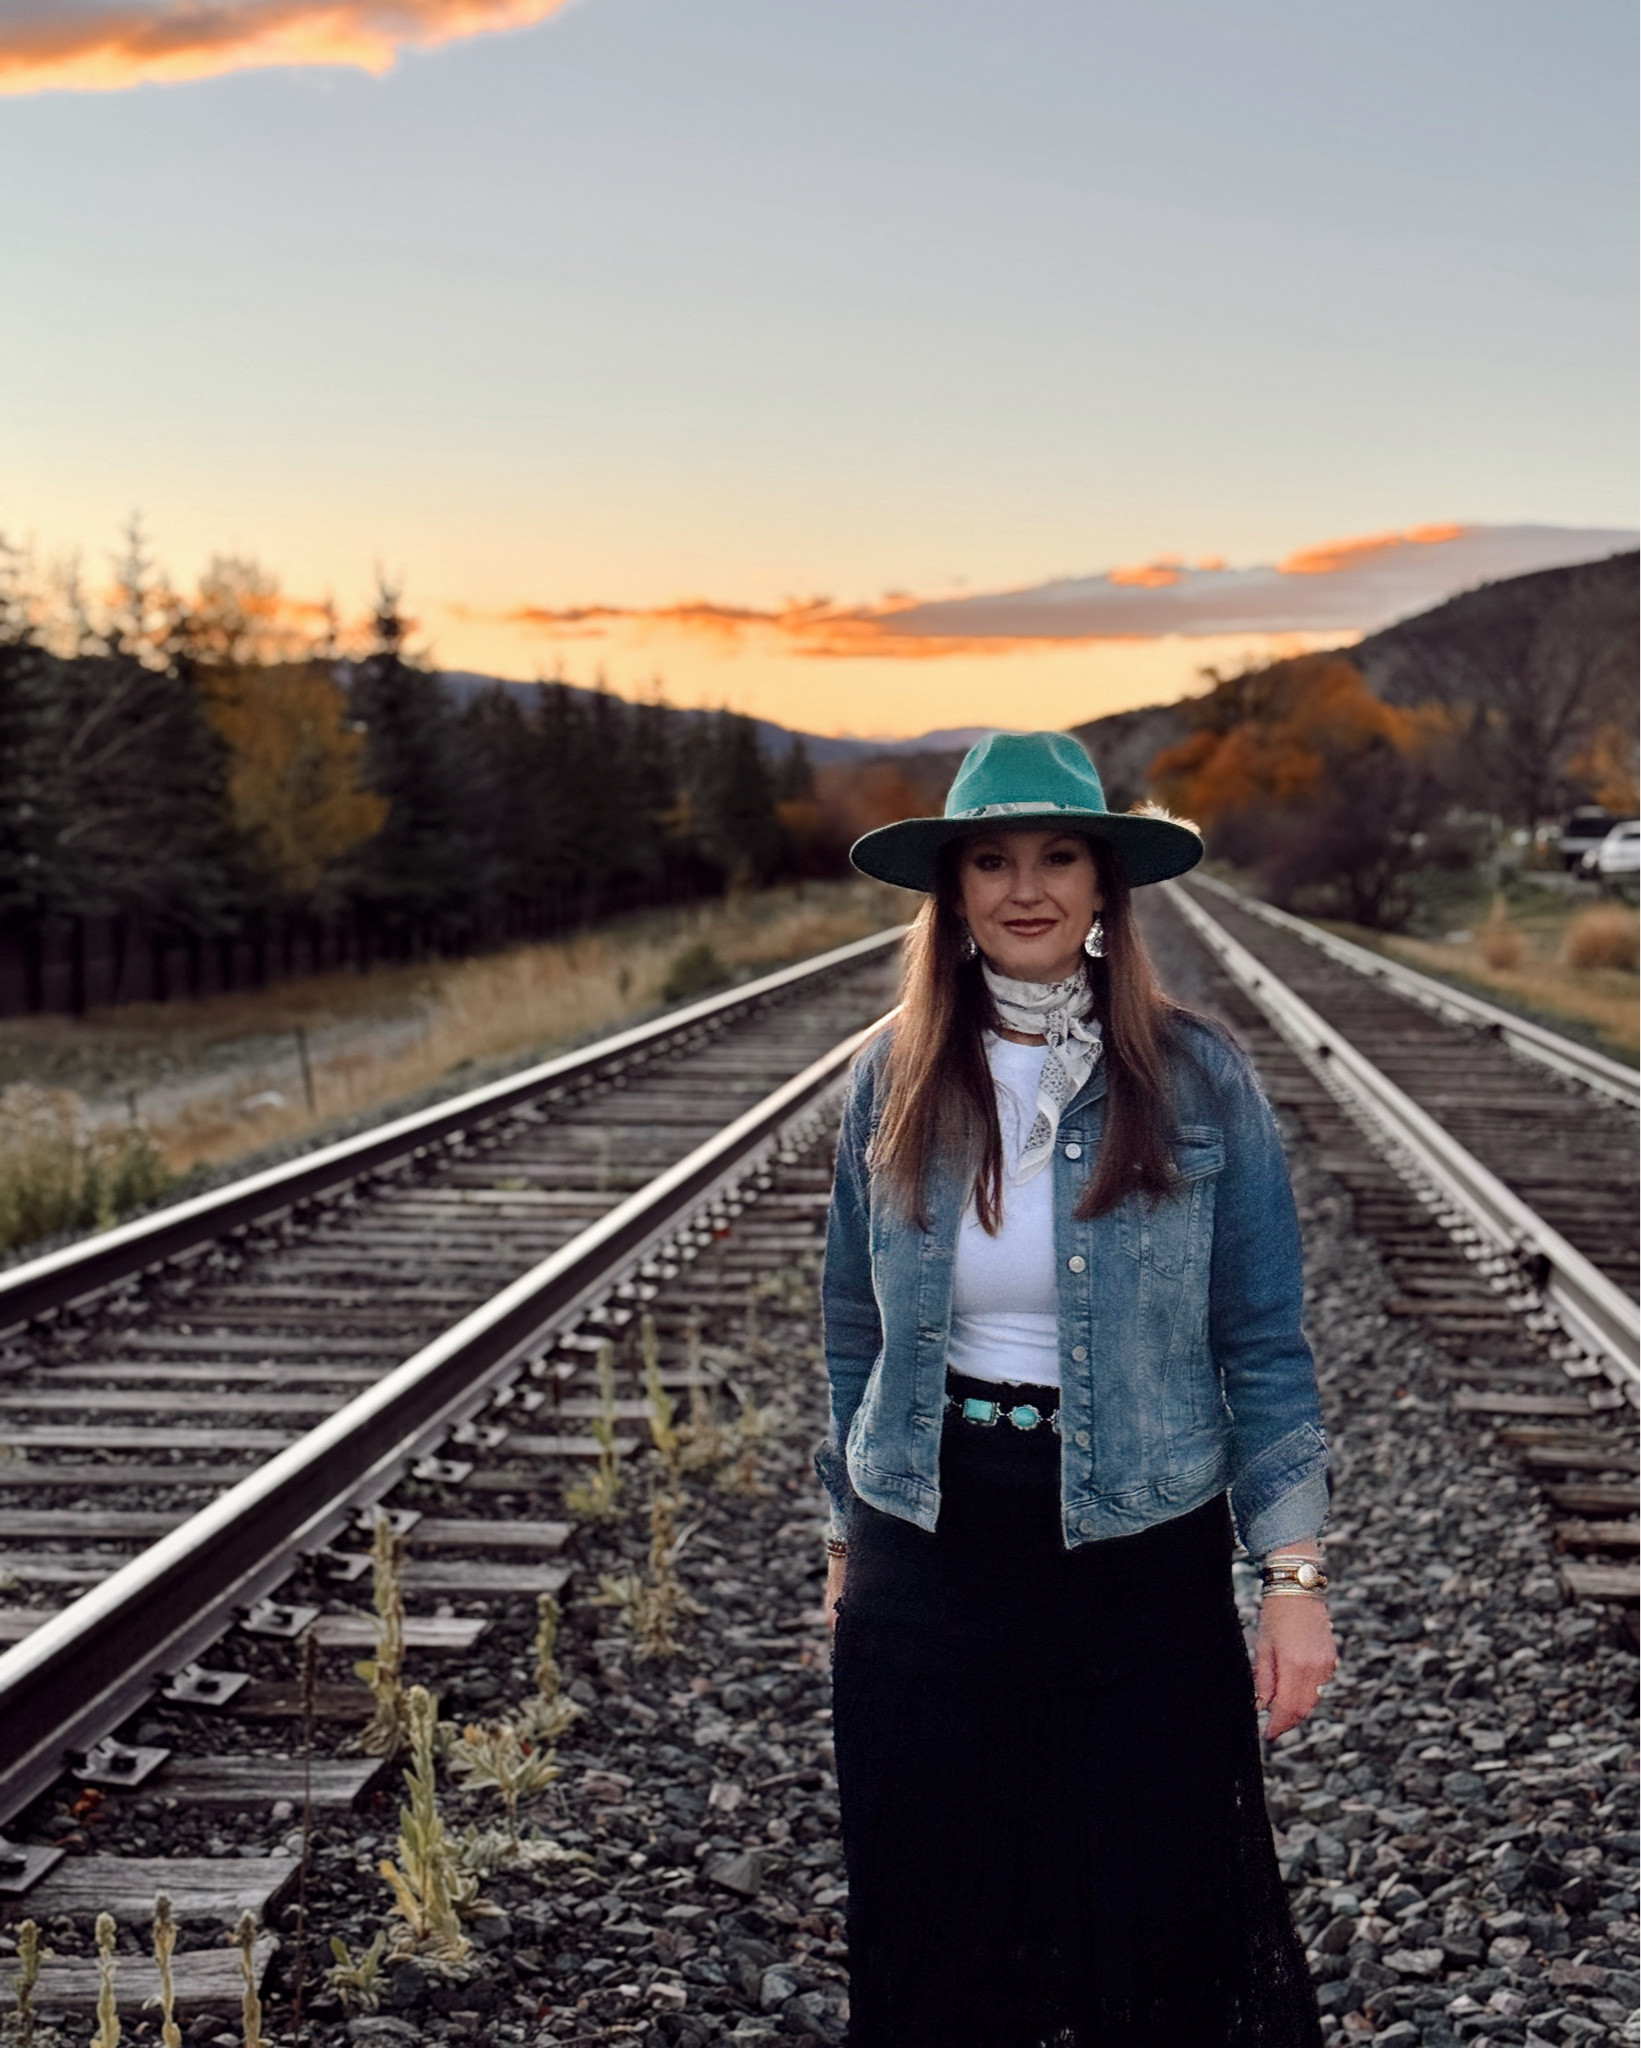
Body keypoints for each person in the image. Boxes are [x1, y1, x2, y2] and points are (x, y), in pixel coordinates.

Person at [815, 731, 1335, 2048]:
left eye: (1057, 856)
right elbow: (846, 1321)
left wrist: (1290, 1582)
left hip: (1136, 1551)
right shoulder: (889, 1074)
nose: (1024, 886)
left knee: (1152, 1917)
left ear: (1106, 884)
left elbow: (1262, 1336)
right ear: (954, 892)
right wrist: (843, 1528)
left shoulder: (1196, 1073)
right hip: (926, 1546)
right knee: (937, 1916)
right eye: (989, 860)